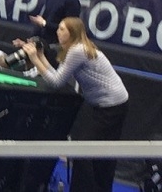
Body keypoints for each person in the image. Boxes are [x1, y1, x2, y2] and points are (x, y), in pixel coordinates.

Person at [20, 17, 129, 192]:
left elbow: (56, 82)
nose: (58, 31)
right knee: (102, 152)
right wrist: (40, 56)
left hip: (111, 106)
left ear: (72, 33)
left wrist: (34, 58)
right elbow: (57, 75)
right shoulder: (76, 49)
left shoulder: (77, 51)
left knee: (83, 150)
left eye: (62, 29)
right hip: (112, 103)